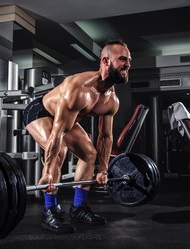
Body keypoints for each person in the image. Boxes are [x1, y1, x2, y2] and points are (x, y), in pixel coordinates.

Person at [23, 39, 131, 233]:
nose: (128, 64)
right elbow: (58, 133)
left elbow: (105, 137)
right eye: (123, 59)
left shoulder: (111, 100)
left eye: (129, 60)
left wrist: (104, 170)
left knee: (89, 154)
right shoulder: (79, 89)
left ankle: (78, 207)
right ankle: (50, 210)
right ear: (105, 61)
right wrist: (47, 171)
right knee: (59, 153)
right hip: (41, 112)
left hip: (64, 120)